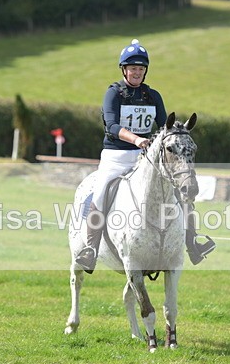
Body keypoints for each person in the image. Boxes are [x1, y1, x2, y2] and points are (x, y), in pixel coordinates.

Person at [74, 39, 215, 274]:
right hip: (116, 156)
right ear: (124, 70)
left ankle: (193, 243)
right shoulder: (113, 94)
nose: (137, 72)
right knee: (100, 193)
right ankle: (90, 249)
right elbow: (112, 126)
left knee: (179, 194)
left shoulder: (153, 96)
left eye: (140, 69)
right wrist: (136, 139)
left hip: (146, 159)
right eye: (133, 68)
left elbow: (164, 127)